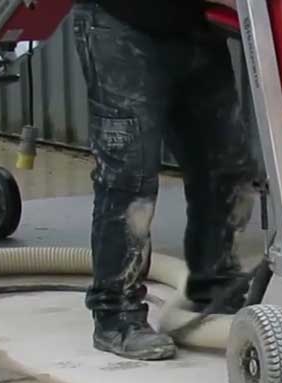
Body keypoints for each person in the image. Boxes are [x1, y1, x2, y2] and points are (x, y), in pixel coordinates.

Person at [71, 0, 251, 361]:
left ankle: (216, 294)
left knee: (226, 167)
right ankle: (116, 316)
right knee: (129, 176)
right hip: (121, 22)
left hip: (198, 24)